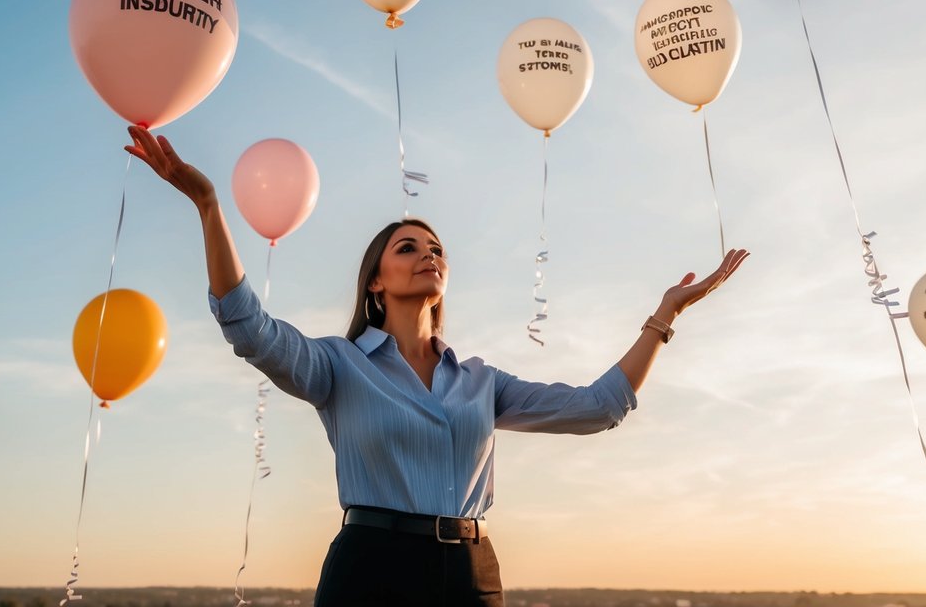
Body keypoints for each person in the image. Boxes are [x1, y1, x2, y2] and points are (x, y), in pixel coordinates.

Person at [126, 125, 748, 607]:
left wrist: (665, 315)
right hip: (371, 569)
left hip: (472, 574)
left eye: (436, 249)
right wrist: (207, 203)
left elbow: (599, 407)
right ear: (376, 281)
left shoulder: (481, 382)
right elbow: (248, 327)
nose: (428, 254)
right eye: (408, 247)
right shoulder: (337, 366)